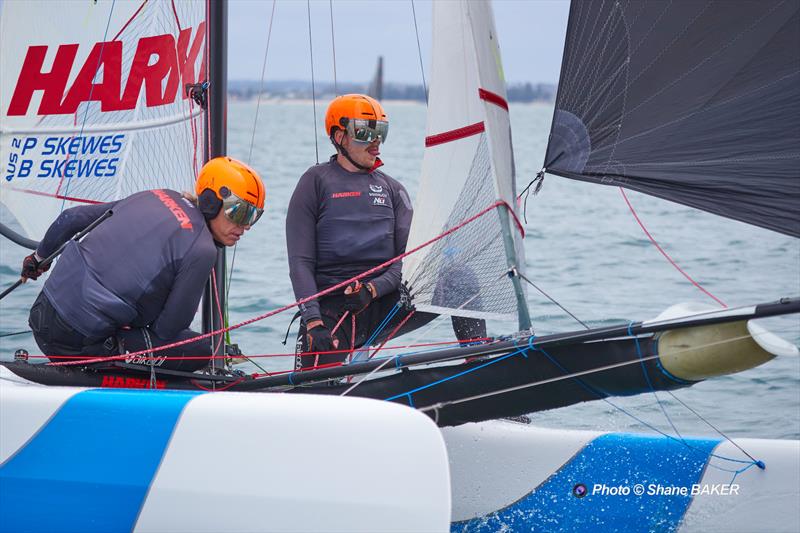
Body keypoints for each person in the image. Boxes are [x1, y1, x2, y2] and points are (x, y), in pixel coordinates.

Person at [286, 94, 485, 372]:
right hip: (333, 311)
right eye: (365, 132)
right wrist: (313, 321)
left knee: (459, 278)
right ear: (339, 136)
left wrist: (371, 290)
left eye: (381, 132)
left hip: (385, 301)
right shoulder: (314, 182)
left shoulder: (392, 189)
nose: (375, 141)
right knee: (308, 391)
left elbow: (409, 260)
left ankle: (479, 365)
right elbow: (300, 263)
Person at [22, 156, 266, 371]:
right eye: (240, 213)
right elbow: (169, 331)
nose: (245, 227)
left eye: (254, 216)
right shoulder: (202, 250)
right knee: (202, 349)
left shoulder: (158, 195)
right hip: (79, 345)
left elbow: (70, 218)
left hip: (40, 314)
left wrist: (38, 259)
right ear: (212, 202)